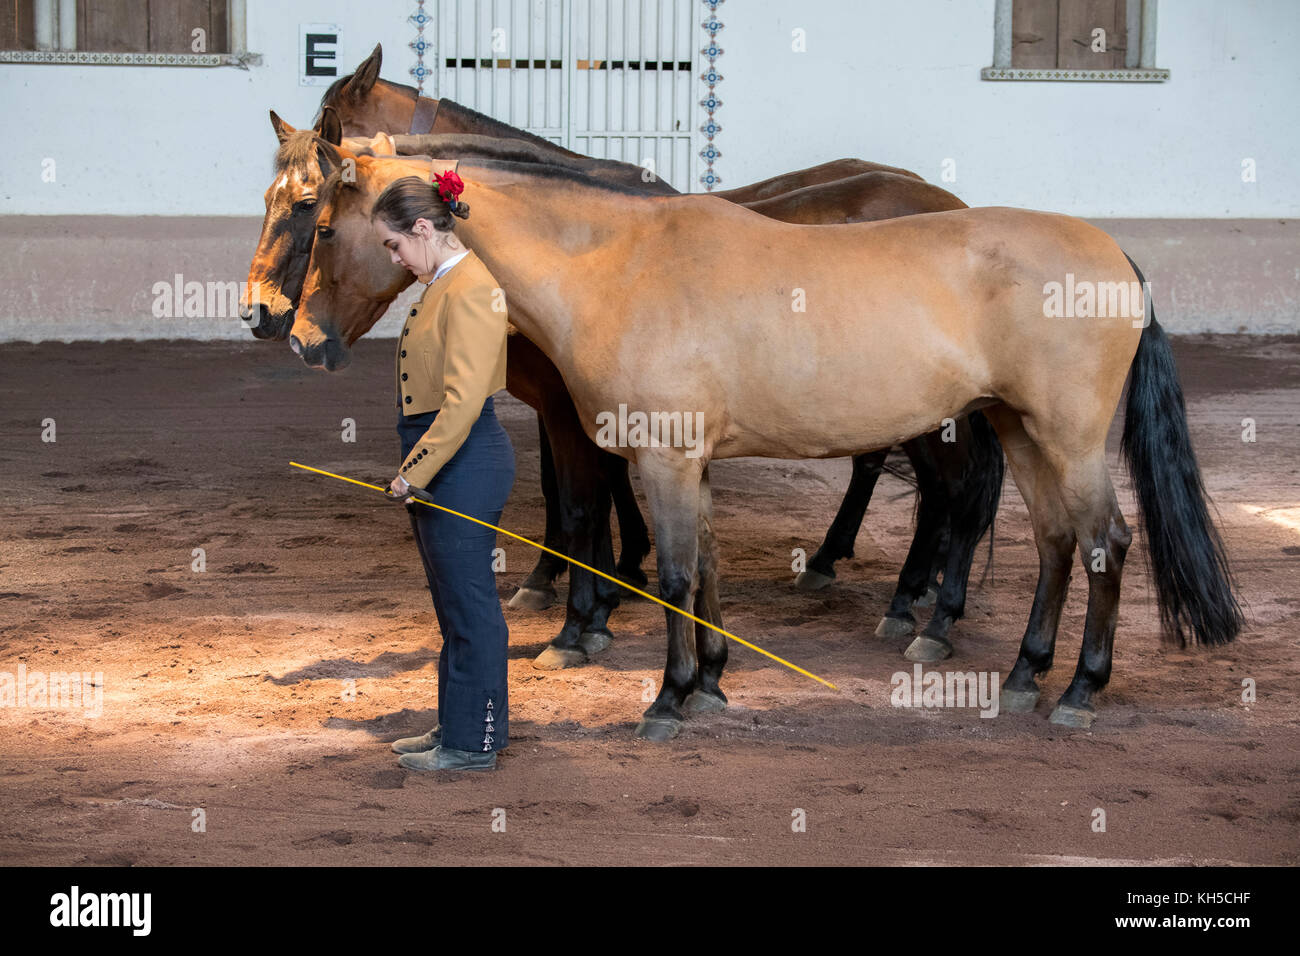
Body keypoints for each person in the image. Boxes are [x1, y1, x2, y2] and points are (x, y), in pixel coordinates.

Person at [370, 168, 516, 772]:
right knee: (453, 605)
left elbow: (460, 404)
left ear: (424, 228)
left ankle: (474, 743)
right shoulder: (446, 281)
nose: (396, 257)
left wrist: (416, 471)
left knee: (471, 605)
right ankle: (455, 728)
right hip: (447, 458)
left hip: (463, 458)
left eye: (395, 244)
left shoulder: (473, 288)